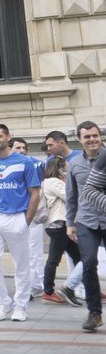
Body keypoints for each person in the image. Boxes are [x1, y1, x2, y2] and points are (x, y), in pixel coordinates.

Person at [0, 124, 41, 322]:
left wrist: (26, 221)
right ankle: (2, 302)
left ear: (8, 137)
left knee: (21, 265)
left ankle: (20, 305)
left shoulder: (24, 163)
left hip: (17, 218)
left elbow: (35, 194)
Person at [68, 121, 105, 331]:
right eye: (87, 137)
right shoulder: (74, 164)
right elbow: (72, 196)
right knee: (88, 263)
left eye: (95, 135)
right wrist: (69, 224)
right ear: (80, 140)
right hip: (86, 221)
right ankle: (94, 313)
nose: (92, 140)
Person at [41, 156, 81, 304]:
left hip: (62, 225)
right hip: (58, 225)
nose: (68, 170)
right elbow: (70, 196)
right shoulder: (52, 182)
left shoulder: (56, 182)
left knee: (81, 259)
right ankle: (48, 291)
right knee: (54, 259)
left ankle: (87, 288)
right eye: (66, 167)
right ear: (57, 167)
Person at [13, 138, 47, 298]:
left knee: (35, 251)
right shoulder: (8, 165)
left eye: (23, 147)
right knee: (19, 253)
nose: (21, 150)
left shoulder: (38, 164)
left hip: (33, 215)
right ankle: (24, 284)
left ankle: (36, 285)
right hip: (15, 214)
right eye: (17, 147)